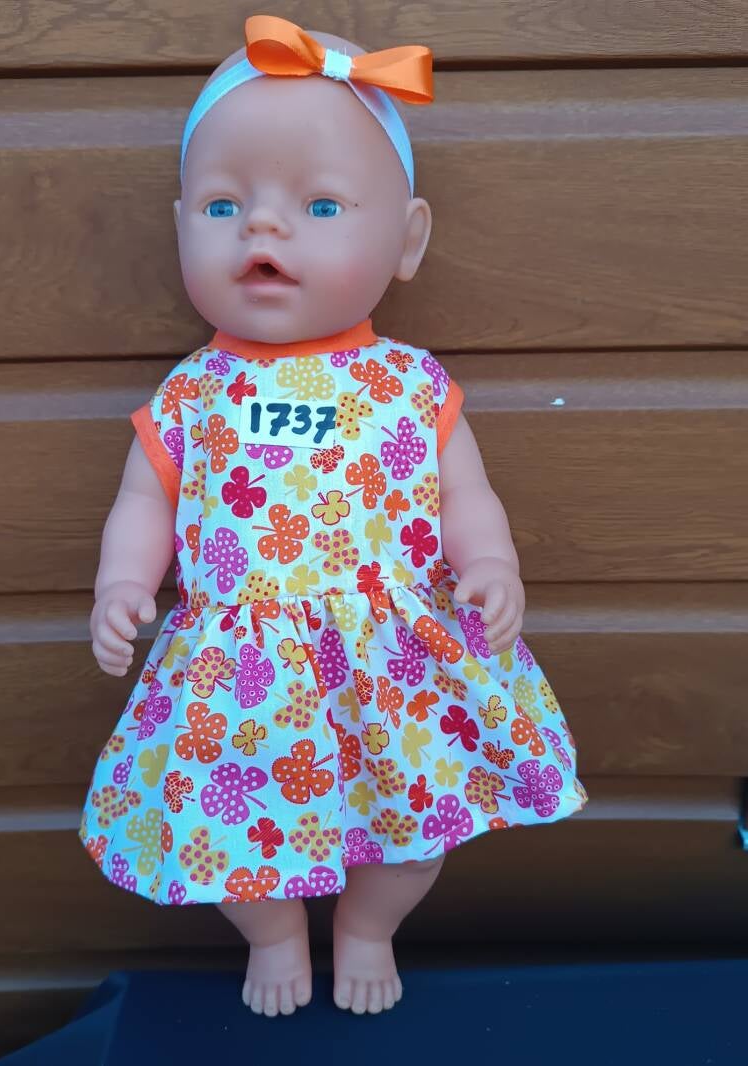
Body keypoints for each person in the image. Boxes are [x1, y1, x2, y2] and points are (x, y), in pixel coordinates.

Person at [80, 14, 586, 1019]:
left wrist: (491, 564)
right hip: (241, 669)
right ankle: (273, 936)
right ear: (181, 224)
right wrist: (122, 584)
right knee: (227, 833)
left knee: (416, 826)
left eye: (318, 204)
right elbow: (146, 497)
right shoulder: (194, 393)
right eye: (224, 205)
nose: (262, 231)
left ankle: (367, 926)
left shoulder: (409, 383)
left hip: (395, 654)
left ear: (406, 241)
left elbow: (463, 493)